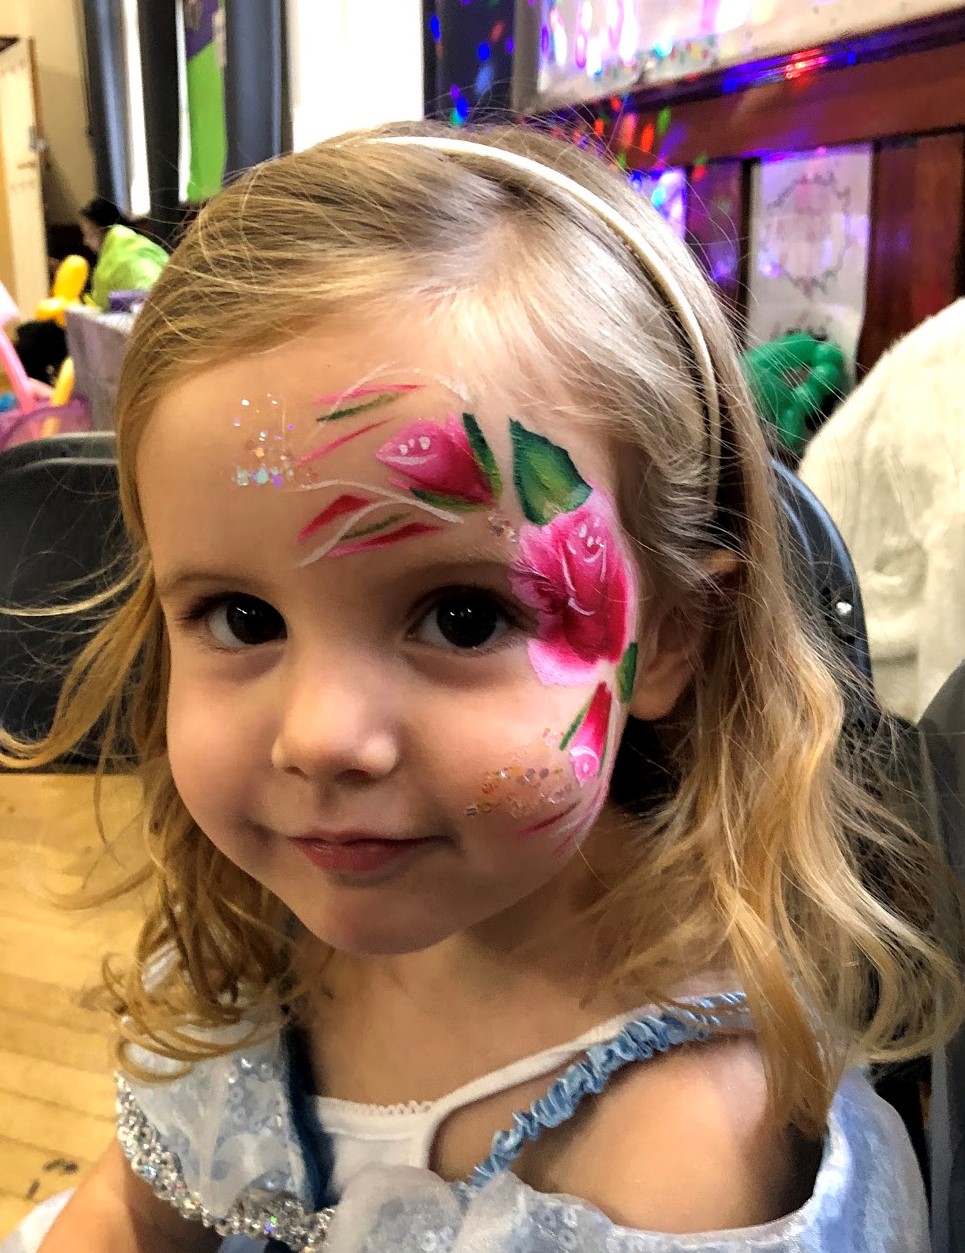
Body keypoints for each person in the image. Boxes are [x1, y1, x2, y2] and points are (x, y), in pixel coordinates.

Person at [1, 122, 961, 1253]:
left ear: (668, 638)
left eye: (464, 616)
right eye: (241, 617)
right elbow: (131, 1213)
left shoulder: (675, 1158)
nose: (321, 735)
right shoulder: (260, 933)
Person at [77, 197, 169, 311]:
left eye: (88, 233)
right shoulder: (145, 245)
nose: (85, 241)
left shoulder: (108, 266)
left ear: (102, 230)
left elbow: (100, 307)